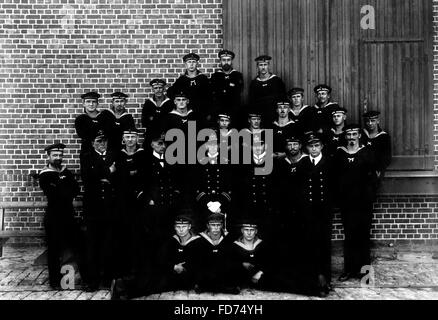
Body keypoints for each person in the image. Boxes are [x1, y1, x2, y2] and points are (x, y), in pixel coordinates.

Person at [333, 124, 377, 282]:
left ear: (359, 135)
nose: (351, 137)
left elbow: (374, 178)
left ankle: (365, 272)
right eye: (348, 135)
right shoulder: (340, 153)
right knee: (349, 236)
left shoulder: (367, 153)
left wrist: (369, 196)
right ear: (345, 137)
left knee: (363, 236)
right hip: (347, 203)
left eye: (354, 134)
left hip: (363, 203)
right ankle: (349, 270)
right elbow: (335, 177)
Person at [295, 132, 335, 297]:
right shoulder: (303, 163)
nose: (314, 148)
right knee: (309, 244)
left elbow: (334, 187)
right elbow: (299, 187)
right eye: (311, 146)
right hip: (308, 212)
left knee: (324, 244)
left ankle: (326, 279)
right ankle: (312, 278)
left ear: (322, 147)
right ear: (306, 148)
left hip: (323, 212)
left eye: (316, 145)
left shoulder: (329, 163)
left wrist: (329, 207)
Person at [38, 143, 82, 289]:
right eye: (55, 155)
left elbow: (75, 189)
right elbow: (55, 195)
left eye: (60, 155)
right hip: (54, 217)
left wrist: (63, 188)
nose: (58, 158)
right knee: (54, 250)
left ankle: (80, 279)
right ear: (48, 156)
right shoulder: (45, 175)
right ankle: (54, 281)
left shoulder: (65, 171)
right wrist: (65, 188)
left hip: (68, 215)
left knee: (77, 245)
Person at [80, 130, 117, 291]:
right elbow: (89, 177)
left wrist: (105, 175)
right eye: (98, 141)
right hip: (93, 208)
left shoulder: (114, 155)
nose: (101, 144)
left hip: (110, 206)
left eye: (104, 141)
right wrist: (109, 171)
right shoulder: (87, 157)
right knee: (92, 244)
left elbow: (119, 177)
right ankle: (92, 280)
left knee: (109, 243)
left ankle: (108, 279)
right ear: (92, 143)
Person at [113, 127, 146, 277]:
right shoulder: (118, 154)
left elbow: (145, 175)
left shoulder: (143, 154)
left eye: (133, 136)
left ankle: (138, 268)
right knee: (122, 234)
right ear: (123, 139)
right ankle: (123, 269)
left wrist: (126, 173)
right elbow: (115, 175)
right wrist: (129, 173)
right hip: (122, 200)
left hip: (139, 200)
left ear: (137, 139)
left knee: (138, 234)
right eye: (127, 137)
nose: (130, 139)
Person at [155, 212, 202, 292]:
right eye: (178, 226)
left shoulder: (198, 241)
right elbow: (161, 259)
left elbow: (201, 263)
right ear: (174, 227)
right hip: (172, 278)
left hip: (191, 278)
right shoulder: (170, 241)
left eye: (184, 226)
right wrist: (174, 267)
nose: (181, 230)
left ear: (189, 226)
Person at [195, 213, 239, 294]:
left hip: (223, 271)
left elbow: (231, 258)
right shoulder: (200, 239)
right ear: (208, 226)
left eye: (218, 225)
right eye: (213, 225)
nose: (215, 228)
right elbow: (199, 260)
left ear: (222, 225)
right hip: (207, 271)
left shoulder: (228, 238)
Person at [167, 53, 211, 126]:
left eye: (193, 62)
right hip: (188, 114)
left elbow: (210, 97)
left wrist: (208, 112)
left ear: (197, 63)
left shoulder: (203, 79)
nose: (191, 64)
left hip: (202, 113)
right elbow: (170, 93)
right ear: (185, 64)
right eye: (189, 62)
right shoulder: (181, 80)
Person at [230, 218, 269, 290]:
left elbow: (269, 262)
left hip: (258, 277)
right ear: (242, 231)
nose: (249, 233)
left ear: (256, 231)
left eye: (252, 230)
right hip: (242, 277)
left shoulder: (262, 245)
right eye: (246, 230)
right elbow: (231, 262)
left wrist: (260, 273)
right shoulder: (235, 245)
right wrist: (241, 264)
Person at [210, 49, 244, 127]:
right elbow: (213, 94)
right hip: (219, 110)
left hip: (233, 110)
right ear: (220, 61)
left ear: (231, 61)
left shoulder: (237, 75)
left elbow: (238, 91)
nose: (226, 62)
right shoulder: (215, 76)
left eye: (228, 60)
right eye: (224, 60)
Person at [248, 55, 286, 124]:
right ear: (257, 66)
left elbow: (283, 99)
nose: (263, 67)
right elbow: (251, 102)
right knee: (261, 135)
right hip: (259, 118)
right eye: (260, 65)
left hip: (274, 117)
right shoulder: (254, 83)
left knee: (270, 134)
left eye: (265, 65)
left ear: (268, 66)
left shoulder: (277, 81)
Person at [74, 91, 111, 157]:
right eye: (88, 101)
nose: (91, 104)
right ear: (83, 103)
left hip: (104, 151)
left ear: (97, 103)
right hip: (87, 151)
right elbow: (84, 135)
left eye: (94, 102)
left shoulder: (105, 116)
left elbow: (109, 133)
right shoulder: (80, 119)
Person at [141, 79, 174, 146]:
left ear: (164, 89)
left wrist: (153, 118)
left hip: (166, 133)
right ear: (152, 89)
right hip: (151, 133)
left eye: (160, 88)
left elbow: (171, 120)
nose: (158, 90)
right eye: (156, 88)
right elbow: (144, 121)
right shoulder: (148, 103)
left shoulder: (170, 103)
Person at [361, 110, 392, 181]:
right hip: (362, 170)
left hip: (376, 170)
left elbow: (387, 158)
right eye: (367, 121)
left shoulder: (384, 137)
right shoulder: (362, 135)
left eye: (373, 121)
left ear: (378, 121)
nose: (370, 123)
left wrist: (379, 168)